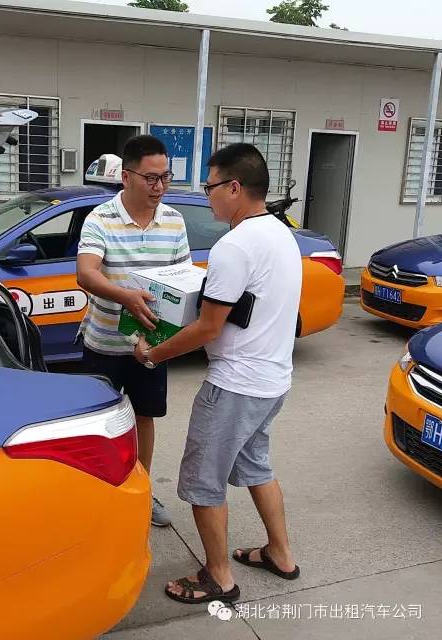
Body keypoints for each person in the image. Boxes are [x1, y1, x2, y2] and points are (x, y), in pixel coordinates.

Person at [133, 143, 302, 603]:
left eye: (210, 186)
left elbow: (209, 327)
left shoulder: (235, 245)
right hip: (272, 381)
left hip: (235, 385)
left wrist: (152, 355)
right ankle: (280, 554)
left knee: (202, 483)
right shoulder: (280, 233)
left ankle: (218, 577)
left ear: (234, 187)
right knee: (257, 467)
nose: (206, 194)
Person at [76, 135, 191, 527]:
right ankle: (98, 492)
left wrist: (163, 338)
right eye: (151, 178)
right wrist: (125, 297)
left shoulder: (173, 221)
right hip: (103, 343)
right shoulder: (100, 219)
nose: (159, 187)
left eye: (165, 177)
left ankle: (141, 491)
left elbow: (182, 278)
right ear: (126, 177)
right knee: (99, 423)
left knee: (144, 417)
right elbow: (86, 273)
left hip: (151, 344)